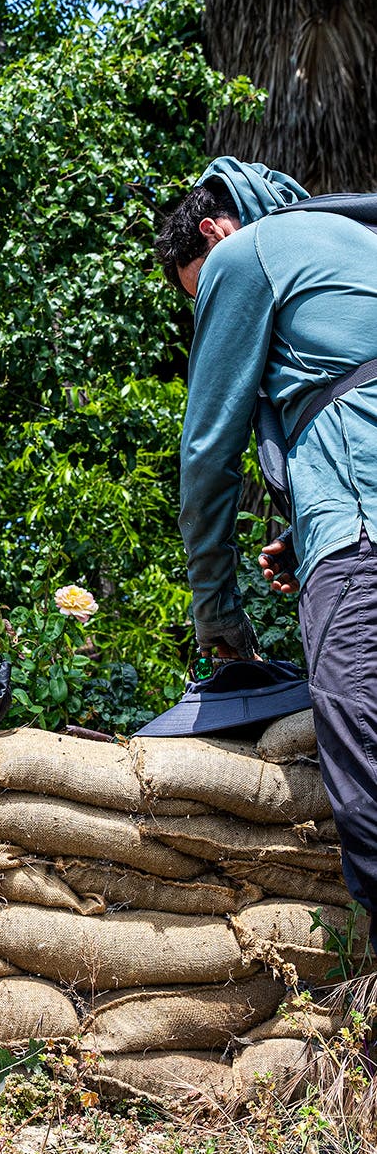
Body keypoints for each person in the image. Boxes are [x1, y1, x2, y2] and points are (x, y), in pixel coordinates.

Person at [154, 157, 377, 911]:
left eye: (199, 295)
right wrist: (306, 533)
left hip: (365, 530)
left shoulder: (243, 253)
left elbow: (208, 453)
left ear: (214, 232)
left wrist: (218, 612)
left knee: (363, 762)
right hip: (353, 512)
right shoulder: (349, 238)